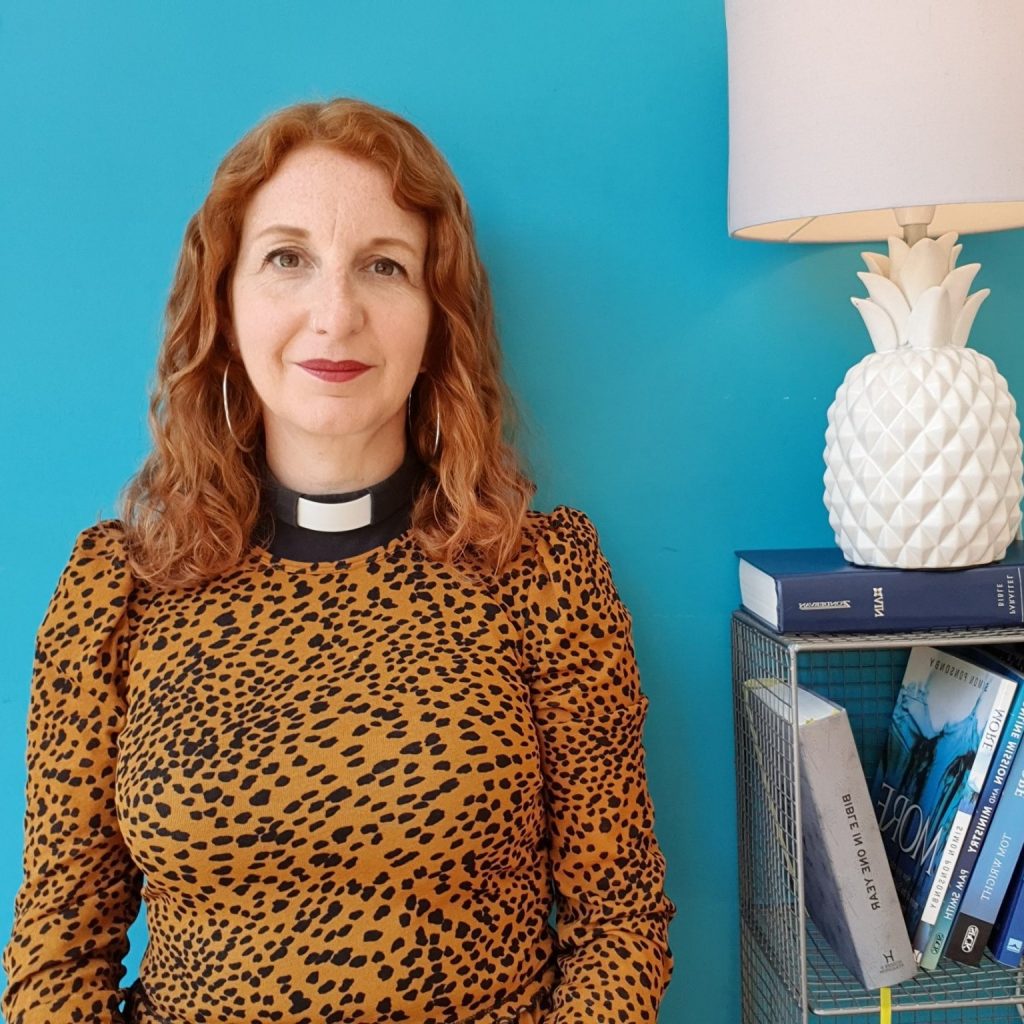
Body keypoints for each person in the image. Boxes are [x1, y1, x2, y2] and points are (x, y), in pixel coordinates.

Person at [1, 98, 676, 1024]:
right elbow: (55, 961)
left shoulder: (542, 576)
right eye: (288, 259)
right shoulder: (118, 589)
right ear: (225, 303)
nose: (336, 314)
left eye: (384, 267)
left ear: (437, 320)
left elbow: (619, 928)